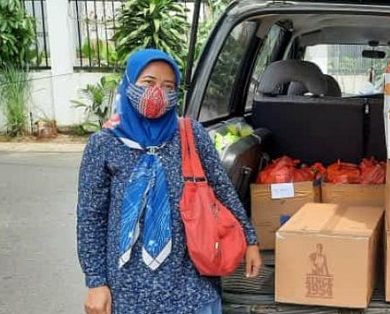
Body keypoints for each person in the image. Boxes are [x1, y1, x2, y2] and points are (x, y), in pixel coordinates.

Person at [76, 49, 262, 314]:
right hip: (129, 290)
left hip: (192, 283)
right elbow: (90, 218)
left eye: (168, 86)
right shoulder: (104, 144)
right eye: (148, 83)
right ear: (129, 83)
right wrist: (95, 282)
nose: (157, 94)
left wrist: (250, 239)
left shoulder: (190, 134)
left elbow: (222, 189)